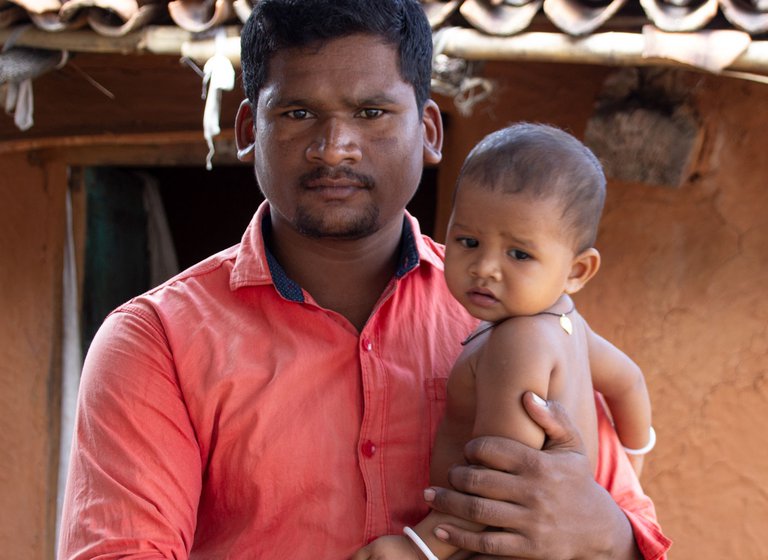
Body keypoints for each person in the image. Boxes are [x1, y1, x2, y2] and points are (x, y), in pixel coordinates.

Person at [57, 1, 672, 559]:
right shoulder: (155, 342)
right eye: (297, 112)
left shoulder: (516, 312)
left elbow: (631, 531)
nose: (334, 148)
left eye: (372, 112)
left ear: (428, 130)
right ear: (249, 130)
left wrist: (604, 532)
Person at [353, 123, 658, 560]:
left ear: (577, 271)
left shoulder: (520, 342)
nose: (485, 268)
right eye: (469, 241)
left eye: (519, 254)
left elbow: (502, 477)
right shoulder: (569, 325)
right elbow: (629, 382)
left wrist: (419, 549)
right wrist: (633, 461)